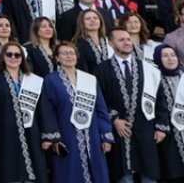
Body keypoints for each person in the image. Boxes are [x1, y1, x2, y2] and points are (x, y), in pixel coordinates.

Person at [42, 41, 114, 183]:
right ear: (57, 58)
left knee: (97, 173)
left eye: (72, 53)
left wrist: (105, 135)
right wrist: (54, 138)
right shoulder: (51, 80)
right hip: (66, 134)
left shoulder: (89, 79)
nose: (69, 56)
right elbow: (48, 111)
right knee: (70, 173)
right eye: (64, 53)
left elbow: (100, 109)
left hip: (92, 135)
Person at [96, 27, 161, 183]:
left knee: (149, 176)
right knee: (125, 177)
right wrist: (114, 119)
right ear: (111, 43)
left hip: (145, 129)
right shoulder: (101, 69)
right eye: (121, 40)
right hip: (120, 132)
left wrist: (160, 126)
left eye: (127, 39)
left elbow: (160, 99)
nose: (126, 42)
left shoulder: (148, 68)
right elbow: (100, 100)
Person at [0, 41, 49, 183]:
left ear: (22, 58)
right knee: (10, 167)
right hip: (6, 131)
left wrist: (47, 134)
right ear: (3, 57)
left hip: (32, 131)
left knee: (35, 166)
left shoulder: (33, 80)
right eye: (9, 54)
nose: (13, 57)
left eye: (17, 55)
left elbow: (43, 108)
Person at [151, 45, 184, 181]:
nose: (170, 59)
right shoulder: (153, 78)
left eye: (172, 55)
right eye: (165, 56)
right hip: (169, 133)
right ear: (158, 59)